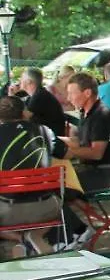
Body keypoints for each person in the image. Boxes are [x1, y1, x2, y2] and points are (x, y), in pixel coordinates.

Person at [0, 96, 68, 257]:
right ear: (24, 112)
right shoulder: (45, 131)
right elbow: (65, 153)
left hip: (6, 211)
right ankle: (32, 238)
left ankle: (21, 239)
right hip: (47, 207)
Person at [59, 73, 110, 194]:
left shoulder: (102, 115)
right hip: (90, 170)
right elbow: (81, 142)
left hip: (103, 174)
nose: (68, 98)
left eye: (72, 93)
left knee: (54, 185)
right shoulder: (85, 112)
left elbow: (96, 153)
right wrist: (52, 140)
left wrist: (67, 152)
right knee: (53, 180)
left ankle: (70, 212)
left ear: (87, 93)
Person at [16, 68, 65, 134]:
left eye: (21, 78)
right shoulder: (37, 94)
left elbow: (22, 117)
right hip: (46, 135)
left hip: (51, 139)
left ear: (29, 81)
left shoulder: (40, 96)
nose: (19, 80)